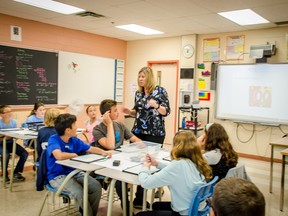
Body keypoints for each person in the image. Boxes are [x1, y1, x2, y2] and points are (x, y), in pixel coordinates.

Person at [46, 113, 112, 216]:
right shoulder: (54, 139)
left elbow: (90, 148)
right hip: (57, 176)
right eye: (75, 125)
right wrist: (74, 154)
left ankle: (89, 214)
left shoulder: (74, 140)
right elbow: (58, 155)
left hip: (74, 172)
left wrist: (103, 152)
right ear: (68, 130)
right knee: (79, 193)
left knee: (96, 187)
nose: (77, 127)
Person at [123, 66, 171, 202]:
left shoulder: (160, 91)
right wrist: (129, 111)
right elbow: (137, 112)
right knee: (136, 161)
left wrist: (156, 106)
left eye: (143, 76)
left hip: (155, 133)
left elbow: (166, 112)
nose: (140, 79)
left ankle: (141, 197)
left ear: (149, 77)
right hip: (138, 132)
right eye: (139, 76)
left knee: (149, 162)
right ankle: (137, 194)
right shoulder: (138, 93)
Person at [136, 130, 212, 216]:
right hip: (196, 210)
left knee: (140, 215)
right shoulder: (196, 161)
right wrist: (157, 164)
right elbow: (175, 172)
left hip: (184, 213)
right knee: (156, 205)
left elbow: (146, 183)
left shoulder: (178, 165)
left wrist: (145, 167)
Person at [92, 99, 141, 214]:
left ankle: (132, 202)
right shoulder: (97, 129)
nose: (118, 113)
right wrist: (109, 124)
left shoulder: (120, 125)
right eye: (115, 111)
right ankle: (126, 205)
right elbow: (111, 146)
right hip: (104, 164)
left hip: (120, 161)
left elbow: (135, 139)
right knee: (120, 179)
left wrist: (144, 147)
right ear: (108, 114)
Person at [0, 105, 28, 182]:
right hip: (1, 144)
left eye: (11, 111)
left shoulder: (14, 122)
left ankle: (16, 172)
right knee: (5, 155)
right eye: (7, 112)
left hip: (11, 142)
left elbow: (15, 134)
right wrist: (8, 137)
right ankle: (5, 175)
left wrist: (18, 135)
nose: (10, 113)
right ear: (1, 114)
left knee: (24, 154)